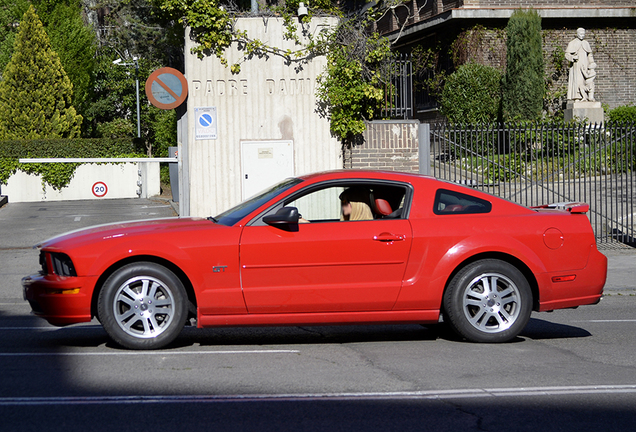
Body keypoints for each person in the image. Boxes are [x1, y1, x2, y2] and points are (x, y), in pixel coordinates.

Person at [565, 28, 596, 101]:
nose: (582, 36)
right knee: (577, 81)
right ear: (577, 34)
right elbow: (567, 54)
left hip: (586, 64)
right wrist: (573, 57)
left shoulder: (586, 43)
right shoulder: (572, 43)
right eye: (581, 34)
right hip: (577, 65)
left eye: (583, 34)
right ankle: (577, 97)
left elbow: (589, 55)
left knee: (586, 81)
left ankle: (587, 97)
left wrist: (592, 62)